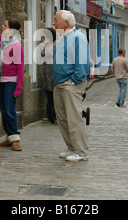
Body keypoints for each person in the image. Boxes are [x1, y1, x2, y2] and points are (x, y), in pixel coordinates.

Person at [52, 10, 90, 162]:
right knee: (63, 119)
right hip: (60, 84)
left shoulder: (77, 37)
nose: (53, 23)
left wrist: (74, 80)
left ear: (66, 23)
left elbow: (82, 62)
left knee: (74, 118)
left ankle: (81, 151)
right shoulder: (63, 38)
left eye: (56, 20)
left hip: (70, 84)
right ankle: (71, 148)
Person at [0, 19, 24, 151]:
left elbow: (20, 68)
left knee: (9, 109)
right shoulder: (0, 39)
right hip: (0, 80)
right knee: (3, 109)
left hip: (11, 82)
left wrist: (18, 88)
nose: (1, 26)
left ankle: (15, 138)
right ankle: (9, 136)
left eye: (5, 25)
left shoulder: (17, 46)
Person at [41, 27, 57, 123]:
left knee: (54, 96)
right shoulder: (47, 44)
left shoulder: (56, 45)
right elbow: (42, 54)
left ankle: (56, 116)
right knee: (48, 95)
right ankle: (49, 115)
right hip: (46, 72)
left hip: (53, 71)